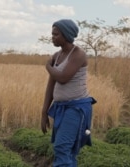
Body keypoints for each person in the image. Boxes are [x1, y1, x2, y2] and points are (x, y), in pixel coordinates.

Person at [41, 19, 96, 167]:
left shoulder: (78, 54)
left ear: (66, 35)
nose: (52, 37)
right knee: (68, 149)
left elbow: (63, 78)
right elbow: (51, 84)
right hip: (61, 108)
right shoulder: (57, 56)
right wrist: (44, 112)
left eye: (56, 34)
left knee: (62, 147)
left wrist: (47, 66)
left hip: (76, 108)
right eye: (52, 34)